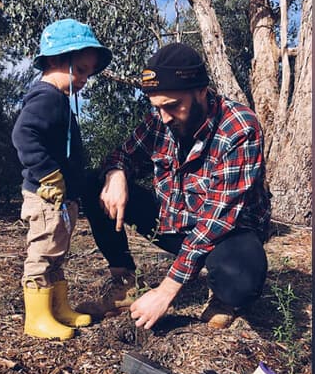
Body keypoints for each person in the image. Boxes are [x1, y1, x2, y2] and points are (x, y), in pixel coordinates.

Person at [78, 43, 271, 330]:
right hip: (175, 222)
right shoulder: (161, 120)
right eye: (157, 107)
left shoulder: (239, 128)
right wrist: (117, 173)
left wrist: (166, 291)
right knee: (95, 183)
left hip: (228, 232)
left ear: (201, 93)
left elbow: (217, 220)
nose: (164, 117)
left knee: (242, 277)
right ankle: (123, 283)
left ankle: (223, 298)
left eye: (172, 106)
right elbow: (123, 154)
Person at [11, 19, 112, 340]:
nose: (84, 79)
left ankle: (58, 308)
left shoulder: (59, 100)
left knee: (57, 250)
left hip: (60, 196)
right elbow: (23, 134)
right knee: (43, 251)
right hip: (45, 195)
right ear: (56, 60)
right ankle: (37, 318)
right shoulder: (46, 97)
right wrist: (49, 175)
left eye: (87, 73)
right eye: (80, 70)